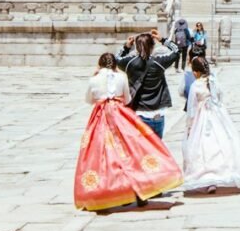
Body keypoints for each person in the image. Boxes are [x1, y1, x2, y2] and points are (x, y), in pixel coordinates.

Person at [73, 52, 183, 211]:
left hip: (100, 119)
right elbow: (128, 99)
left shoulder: (93, 80)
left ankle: (105, 195)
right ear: (114, 65)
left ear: (100, 64)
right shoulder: (121, 78)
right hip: (121, 118)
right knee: (131, 153)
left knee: (102, 156)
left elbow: (89, 100)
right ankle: (140, 193)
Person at [182, 56, 240, 193]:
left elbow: (191, 108)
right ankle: (224, 173)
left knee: (203, 146)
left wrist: (189, 126)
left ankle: (207, 177)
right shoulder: (214, 81)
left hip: (202, 118)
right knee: (222, 143)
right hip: (218, 115)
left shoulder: (195, 85)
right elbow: (220, 97)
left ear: (195, 72)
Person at [116, 29, 179, 139]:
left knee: (142, 152)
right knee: (156, 151)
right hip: (157, 114)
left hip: (139, 113)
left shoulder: (129, 63)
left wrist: (126, 47)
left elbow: (117, 59)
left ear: (136, 46)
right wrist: (163, 40)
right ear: (152, 46)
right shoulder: (159, 62)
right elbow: (176, 51)